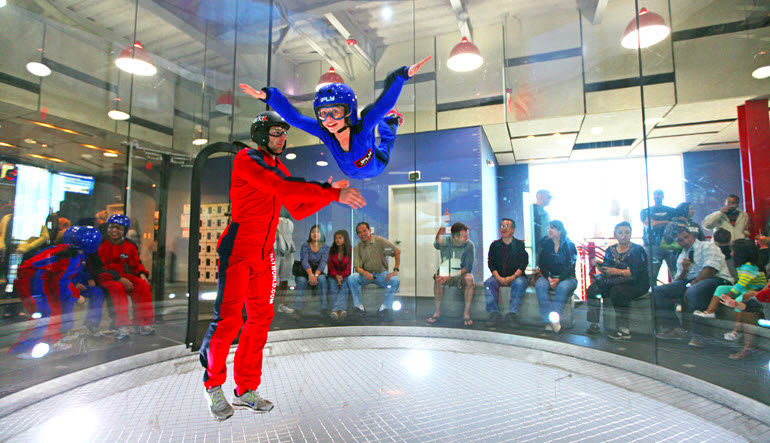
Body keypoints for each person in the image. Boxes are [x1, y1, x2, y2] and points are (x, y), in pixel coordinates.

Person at [199, 111, 365, 421]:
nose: (282, 138)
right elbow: (283, 187)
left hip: (264, 254)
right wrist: (331, 192)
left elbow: (298, 210)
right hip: (238, 250)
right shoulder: (248, 160)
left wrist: (328, 197)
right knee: (229, 320)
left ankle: (245, 389)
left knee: (260, 319)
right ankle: (213, 385)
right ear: (261, 134)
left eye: (283, 134)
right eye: (276, 133)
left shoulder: (276, 165)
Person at [238, 56, 431, 179]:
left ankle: (391, 121)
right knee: (371, 114)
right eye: (323, 113)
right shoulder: (325, 133)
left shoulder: (361, 129)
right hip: (351, 171)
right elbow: (295, 118)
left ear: (347, 111)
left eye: (335, 112)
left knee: (383, 132)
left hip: (376, 165)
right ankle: (386, 120)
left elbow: (385, 104)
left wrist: (403, 75)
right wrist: (268, 96)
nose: (328, 119)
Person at [9, 226, 102, 357]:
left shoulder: (65, 250)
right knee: (45, 315)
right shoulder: (72, 258)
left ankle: (50, 341)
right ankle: (24, 349)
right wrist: (76, 296)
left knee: (53, 312)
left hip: (34, 282)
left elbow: (57, 278)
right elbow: (61, 282)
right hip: (34, 285)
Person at [653, 225, 734, 347]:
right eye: (681, 240)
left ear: (692, 235)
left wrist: (691, 286)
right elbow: (679, 280)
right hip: (693, 280)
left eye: (686, 237)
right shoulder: (682, 255)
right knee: (659, 291)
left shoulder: (708, 246)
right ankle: (673, 328)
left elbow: (710, 270)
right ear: (677, 242)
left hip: (718, 279)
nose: (685, 241)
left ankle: (700, 335)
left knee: (695, 290)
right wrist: (684, 270)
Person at [585, 222, 649, 340]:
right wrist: (600, 266)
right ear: (615, 235)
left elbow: (636, 272)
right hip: (615, 281)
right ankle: (593, 323)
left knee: (617, 291)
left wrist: (617, 271)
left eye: (627, 232)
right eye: (620, 233)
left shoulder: (638, 250)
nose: (624, 235)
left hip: (636, 282)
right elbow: (607, 268)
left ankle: (623, 329)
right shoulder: (610, 250)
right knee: (593, 289)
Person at [98, 214, 155, 336]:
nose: (114, 231)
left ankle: (143, 322)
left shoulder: (130, 245)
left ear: (124, 231)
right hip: (104, 276)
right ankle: (122, 325)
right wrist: (118, 278)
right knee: (118, 288)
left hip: (121, 275)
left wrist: (141, 274)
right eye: (111, 227)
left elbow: (136, 263)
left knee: (142, 285)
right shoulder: (100, 243)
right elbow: (98, 267)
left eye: (118, 228)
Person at [348, 222, 400, 322]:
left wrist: (395, 270)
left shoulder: (379, 241)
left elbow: (396, 252)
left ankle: (385, 308)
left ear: (369, 231)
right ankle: (359, 307)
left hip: (381, 274)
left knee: (395, 280)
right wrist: (364, 273)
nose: (362, 234)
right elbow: (357, 268)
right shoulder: (357, 248)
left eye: (364, 231)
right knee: (352, 278)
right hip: (365, 275)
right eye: (359, 232)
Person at [427, 221, 476, 327]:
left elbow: (467, 268)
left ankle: (466, 313)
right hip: (445, 273)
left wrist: (450, 275)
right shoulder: (446, 241)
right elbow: (438, 240)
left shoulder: (469, 245)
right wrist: (443, 223)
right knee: (438, 278)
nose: (467, 238)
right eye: (464, 236)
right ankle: (437, 312)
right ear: (455, 237)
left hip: (460, 274)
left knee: (469, 279)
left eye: (467, 235)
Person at [533, 220, 578, 333]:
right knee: (540, 285)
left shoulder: (569, 245)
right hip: (549, 276)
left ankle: (553, 320)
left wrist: (558, 279)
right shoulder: (545, 245)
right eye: (548, 228)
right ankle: (550, 321)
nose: (549, 230)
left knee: (562, 287)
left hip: (567, 278)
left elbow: (570, 267)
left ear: (560, 231)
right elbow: (542, 265)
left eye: (552, 228)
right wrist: (548, 278)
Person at [484, 218, 528, 327]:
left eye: (507, 226)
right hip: (499, 276)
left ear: (513, 230)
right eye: (502, 226)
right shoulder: (494, 245)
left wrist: (512, 277)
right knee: (489, 283)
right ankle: (494, 314)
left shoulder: (519, 245)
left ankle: (512, 314)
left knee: (520, 283)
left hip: (516, 276)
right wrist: (498, 277)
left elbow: (523, 264)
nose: (504, 229)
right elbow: (491, 264)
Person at [719, 280, 770, 359]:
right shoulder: (766, 294)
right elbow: (752, 305)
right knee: (749, 296)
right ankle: (747, 348)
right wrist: (735, 304)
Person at [640, 189, 677, 282]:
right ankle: (653, 294)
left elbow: (674, 224)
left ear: (663, 196)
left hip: (670, 244)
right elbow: (650, 224)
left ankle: (676, 294)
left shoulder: (671, 210)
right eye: (656, 194)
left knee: (675, 273)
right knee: (651, 275)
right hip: (653, 245)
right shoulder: (646, 211)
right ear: (653, 196)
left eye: (659, 194)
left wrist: (657, 222)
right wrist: (667, 222)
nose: (657, 196)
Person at [293, 225, 329, 318]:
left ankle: (324, 308)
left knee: (322, 279)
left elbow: (323, 263)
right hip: (305, 272)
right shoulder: (305, 245)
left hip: (318, 272)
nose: (315, 234)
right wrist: (310, 275)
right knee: (301, 281)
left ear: (321, 234)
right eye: (313, 232)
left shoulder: (325, 247)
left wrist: (315, 276)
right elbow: (304, 260)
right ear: (310, 234)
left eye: (317, 232)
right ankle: (297, 309)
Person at [273, 209, 296, 315]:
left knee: (285, 278)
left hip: (287, 250)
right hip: (274, 249)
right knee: (272, 279)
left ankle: (281, 305)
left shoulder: (288, 212)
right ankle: (268, 306)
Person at [327, 230, 352, 323]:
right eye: (336, 238)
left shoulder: (349, 250)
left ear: (345, 239)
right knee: (333, 287)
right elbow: (330, 266)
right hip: (333, 275)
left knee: (344, 287)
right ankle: (340, 311)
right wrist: (337, 276)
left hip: (345, 275)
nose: (337, 240)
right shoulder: (331, 250)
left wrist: (341, 276)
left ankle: (336, 311)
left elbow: (349, 268)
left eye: (340, 238)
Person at [531, 190, 552, 263]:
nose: (550, 199)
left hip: (543, 246)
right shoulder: (532, 210)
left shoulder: (543, 212)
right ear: (542, 197)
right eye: (549, 197)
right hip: (537, 246)